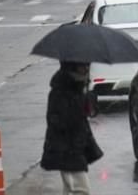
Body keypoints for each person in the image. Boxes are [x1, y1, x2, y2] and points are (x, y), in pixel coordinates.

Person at [40, 61, 103, 195]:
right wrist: (73, 115)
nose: (86, 69)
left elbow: (87, 115)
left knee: (72, 189)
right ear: (72, 67)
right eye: (82, 66)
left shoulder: (78, 88)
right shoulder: (61, 91)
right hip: (66, 149)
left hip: (76, 148)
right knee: (80, 189)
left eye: (87, 66)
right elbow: (55, 120)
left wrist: (88, 100)